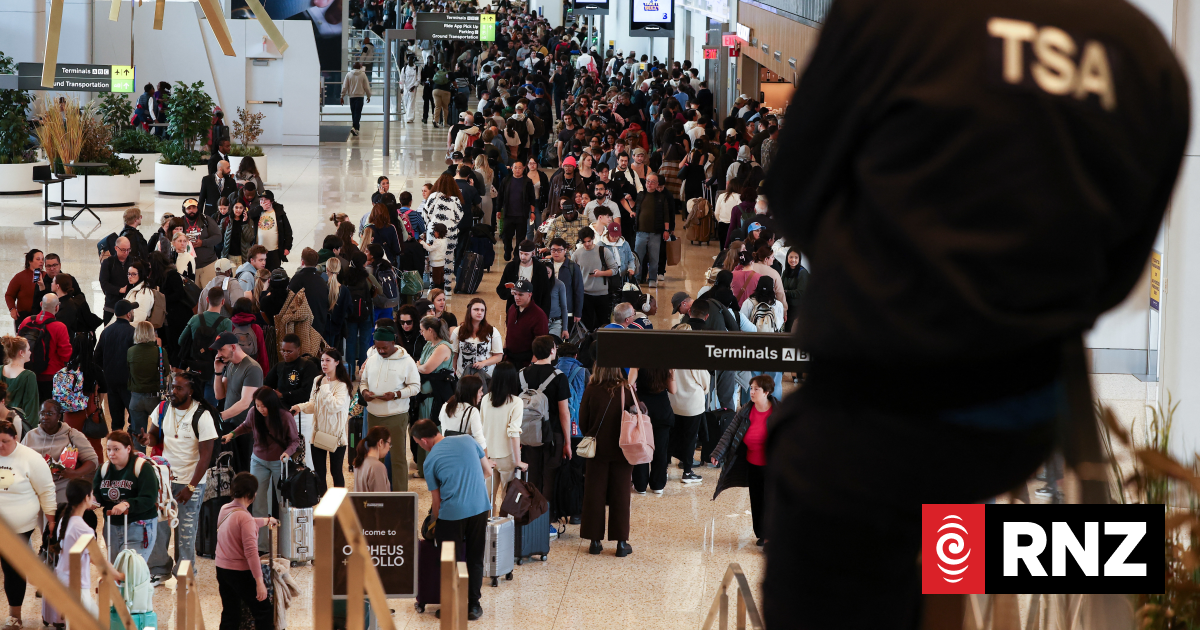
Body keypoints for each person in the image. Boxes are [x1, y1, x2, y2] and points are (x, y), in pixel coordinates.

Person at [138, 372, 219, 586]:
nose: (173, 392)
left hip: (190, 481)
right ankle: (159, 570)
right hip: (164, 479)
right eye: (172, 387)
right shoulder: (163, 408)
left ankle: (184, 572)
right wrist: (148, 438)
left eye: (179, 388)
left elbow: (206, 457)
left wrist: (191, 487)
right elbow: (155, 435)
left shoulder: (202, 416)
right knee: (159, 525)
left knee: (186, 530)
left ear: (190, 391)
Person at [411, 419, 491, 621]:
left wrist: (433, 524)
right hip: (480, 507)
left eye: (419, 444)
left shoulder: (430, 461)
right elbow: (487, 471)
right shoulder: (468, 440)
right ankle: (474, 606)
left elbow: (436, 502)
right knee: (475, 557)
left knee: (450, 561)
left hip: (452, 514)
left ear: (424, 441)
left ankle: (451, 605)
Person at [221, 387, 299, 552]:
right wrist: (232, 435)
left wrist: (287, 453)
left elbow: (294, 441)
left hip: (280, 462)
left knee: (283, 502)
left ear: (272, 404)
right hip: (258, 461)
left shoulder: (285, 417)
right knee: (257, 502)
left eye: (264, 406)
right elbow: (245, 426)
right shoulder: (253, 413)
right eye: (257, 405)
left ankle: (287, 545)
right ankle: (261, 546)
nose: (261, 409)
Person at [0, 416, 55, 628]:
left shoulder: (30, 458)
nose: (1, 445)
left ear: (16, 438)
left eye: (5, 441)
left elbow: (46, 490)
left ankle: (15, 615)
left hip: (18, 527)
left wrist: (50, 519)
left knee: (13, 569)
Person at [710, 375, 776, 547]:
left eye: (756, 389)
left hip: (772, 466)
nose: (751, 392)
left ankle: (770, 537)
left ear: (767, 392)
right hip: (752, 463)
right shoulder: (746, 409)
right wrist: (717, 453)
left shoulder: (777, 411)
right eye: (751, 388)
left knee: (770, 500)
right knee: (757, 499)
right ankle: (762, 533)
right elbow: (730, 433)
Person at [358, 322, 422, 490]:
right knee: (374, 457)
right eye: (377, 347)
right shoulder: (372, 359)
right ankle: (377, 492)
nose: (381, 351)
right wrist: (365, 393)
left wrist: (396, 395)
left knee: (398, 458)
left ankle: (400, 496)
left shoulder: (406, 361)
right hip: (374, 414)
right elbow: (363, 381)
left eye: (384, 347)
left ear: (393, 343)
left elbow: (415, 387)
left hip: (396, 415)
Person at [578, 367, 633, 557]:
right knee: (621, 495)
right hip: (622, 449)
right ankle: (621, 543)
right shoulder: (626, 390)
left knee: (594, 494)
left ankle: (594, 541)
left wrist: (591, 434)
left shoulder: (592, 389)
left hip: (597, 450)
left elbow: (582, 419)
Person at [50, 479, 123, 620]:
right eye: (92, 494)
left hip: (63, 581)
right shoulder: (83, 529)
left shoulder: (65, 521)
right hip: (76, 586)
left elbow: (89, 557)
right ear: (86, 498)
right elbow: (98, 560)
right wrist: (119, 576)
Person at [216, 472, 278, 630]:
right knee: (263, 611)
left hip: (222, 569)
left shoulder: (225, 509)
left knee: (231, 612)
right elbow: (251, 553)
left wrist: (266, 521)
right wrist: (259, 582)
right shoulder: (245, 518)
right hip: (240, 573)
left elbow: (244, 523)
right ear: (252, 494)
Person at [290, 347, 352, 497]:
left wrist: (325, 387)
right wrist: (300, 406)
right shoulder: (317, 380)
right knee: (319, 472)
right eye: (322, 360)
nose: (324, 364)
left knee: (336, 472)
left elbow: (334, 407)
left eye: (328, 360)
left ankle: (339, 503)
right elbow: (313, 405)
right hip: (318, 434)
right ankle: (322, 502)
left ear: (337, 362)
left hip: (336, 437)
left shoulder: (342, 385)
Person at [518, 336, 571, 502]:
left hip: (526, 434)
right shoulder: (559, 377)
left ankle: (530, 517)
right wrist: (567, 442)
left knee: (531, 475)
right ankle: (546, 518)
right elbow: (564, 412)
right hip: (552, 434)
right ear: (552, 351)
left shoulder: (521, 375)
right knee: (549, 477)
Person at [94, 430, 159, 564]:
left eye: (116, 449)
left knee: (132, 569)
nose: (111, 454)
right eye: (109, 449)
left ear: (128, 448)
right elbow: (97, 495)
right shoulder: (104, 469)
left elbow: (149, 498)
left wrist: (127, 504)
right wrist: (91, 502)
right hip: (112, 525)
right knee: (116, 569)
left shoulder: (142, 467)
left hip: (138, 524)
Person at [22, 399, 99, 504]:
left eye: (49, 414)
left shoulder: (72, 435)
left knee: (61, 512)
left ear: (59, 416)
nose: (44, 417)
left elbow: (93, 461)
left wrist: (76, 473)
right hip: (35, 486)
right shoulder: (30, 436)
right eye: (42, 414)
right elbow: (19, 459)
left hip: (62, 484)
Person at [211, 331, 265, 473]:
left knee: (245, 470)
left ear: (233, 347)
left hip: (246, 429)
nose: (219, 353)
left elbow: (245, 403)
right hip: (231, 427)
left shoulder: (252, 368)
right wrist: (217, 372)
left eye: (221, 349)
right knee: (233, 469)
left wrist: (218, 417)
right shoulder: (231, 365)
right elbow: (219, 395)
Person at [479, 361, 524, 510]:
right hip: (506, 456)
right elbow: (514, 432)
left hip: (487, 454)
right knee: (508, 498)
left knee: (487, 497)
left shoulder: (486, 399)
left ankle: (486, 529)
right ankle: (504, 531)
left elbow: (481, 426)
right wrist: (518, 461)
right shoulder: (516, 402)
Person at [19, 294, 73, 403]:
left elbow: (18, 345)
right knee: (49, 411)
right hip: (51, 377)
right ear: (57, 308)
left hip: (28, 374)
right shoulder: (59, 327)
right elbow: (65, 354)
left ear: (40, 304)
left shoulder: (27, 321)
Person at [126, 321, 170, 448]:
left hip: (135, 398)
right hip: (155, 398)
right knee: (160, 433)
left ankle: (140, 464)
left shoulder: (131, 351)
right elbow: (166, 371)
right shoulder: (160, 352)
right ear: (152, 333)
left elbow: (129, 370)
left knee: (139, 436)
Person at [631, 173, 671, 288]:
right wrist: (629, 201)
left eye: (653, 181)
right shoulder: (641, 195)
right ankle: (637, 277)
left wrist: (666, 230)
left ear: (657, 184)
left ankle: (652, 278)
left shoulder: (661, 197)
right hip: (640, 232)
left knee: (654, 258)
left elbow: (666, 215)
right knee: (638, 257)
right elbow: (635, 208)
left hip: (656, 233)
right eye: (648, 181)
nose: (650, 183)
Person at [451, 298, 503, 379]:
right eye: (476, 309)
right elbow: (454, 355)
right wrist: (453, 373)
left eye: (482, 310)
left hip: (486, 377)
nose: (480, 312)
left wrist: (484, 363)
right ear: (469, 311)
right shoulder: (458, 331)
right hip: (463, 377)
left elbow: (499, 356)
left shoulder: (492, 331)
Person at [502, 278, 549, 369]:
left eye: (520, 295)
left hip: (525, 363)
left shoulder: (539, 315)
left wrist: (532, 365)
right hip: (509, 360)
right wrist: (503, 353)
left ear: (529, 295)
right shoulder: (512, 308)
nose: (517, 297)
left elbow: (541, 344)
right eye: (515, 294)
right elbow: (509, 333)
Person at [497, 240, 552, 316]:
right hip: (515, 312)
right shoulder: (511, 267)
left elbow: (546, 295)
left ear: (533, 253)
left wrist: (544, 316)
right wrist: (511, 292)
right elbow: (500, 290)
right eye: (521, 253)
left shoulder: (540, 269)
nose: (522, 257)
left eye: (526, 254)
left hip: (534, 312)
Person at [287, 248, 331, 339]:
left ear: (302, 262)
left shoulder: (297, 279)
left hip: (302, 326)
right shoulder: (322, 281)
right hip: (319, 326)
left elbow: (289, 301)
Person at [497, 160, 536, 260]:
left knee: (520, 237)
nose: (517, 170)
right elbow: (500, 196)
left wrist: (532, 212)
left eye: (519, 168)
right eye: (515, 167)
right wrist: (498, 210)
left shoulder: (527, 182)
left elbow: (532, 198)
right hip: (508, 214)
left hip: (521, 214)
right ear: (512, 168)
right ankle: (507, 249)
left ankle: (516, 254)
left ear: (523, 168)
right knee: (506, 235)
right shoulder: (506, 180)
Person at [439, 375, 486, 450]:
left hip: (446, 451)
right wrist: (487, 460)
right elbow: (480, 441)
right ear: (472, 393)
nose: (482, 394)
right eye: (480, 391)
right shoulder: (472, 411)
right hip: (463, 454)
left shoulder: (445, 406)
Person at [249, 192, 293, 270]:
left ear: (271, 201)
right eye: (261, 200)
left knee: (273, 272)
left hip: (274, 251)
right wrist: (261, 208)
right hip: (259, 250)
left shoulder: (279, 213)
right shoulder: (258, 212)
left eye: (266, 200)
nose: (263, 202)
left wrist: (287, 247)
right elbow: (249, 215)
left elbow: (288, 231)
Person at [1, 336, 38, 420]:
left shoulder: (0, 370)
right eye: (28, 349)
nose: (30, 352)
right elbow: (31, 409)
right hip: (19, 424)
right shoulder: (29, 376)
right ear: (21, 352)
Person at [6, 249, 44, 325]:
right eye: (38, 259)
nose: (41, 262)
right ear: (30, 261)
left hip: (41, 315)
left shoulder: (46, 276)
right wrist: (12, 309)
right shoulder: (20, 276)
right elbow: (9, 295)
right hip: (23, 316)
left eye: (43, 259)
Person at [352, 426, 392, 492]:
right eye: (389, 443)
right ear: (381, 442)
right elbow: (381, 499)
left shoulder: (360, 461)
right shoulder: (378, 467)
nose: (389, 448)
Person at [780, 248, 808, 333]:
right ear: (787, 258)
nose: (793, 260)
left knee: (789, 329)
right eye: (791, 257)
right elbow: (781, 287)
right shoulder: (785, 272)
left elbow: (800, 292)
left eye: (796, 257)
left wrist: (786, 292)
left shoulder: (802, 272)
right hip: (785, 305)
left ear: (799, 259)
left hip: (796, 307)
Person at [341, 62, 372, 136]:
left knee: (354, 113)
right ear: (360, 67)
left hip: (352, 97)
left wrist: (342, 96)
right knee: (358, 113)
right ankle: (355, 128)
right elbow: (366, 87)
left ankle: (355, 128)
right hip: (360, 96)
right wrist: (368, 95)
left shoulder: (348, 74)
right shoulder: (363, 75)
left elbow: (345, 86)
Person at [422, 223, 449, 292]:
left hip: (436, 263)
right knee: (441, 278)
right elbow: (434, 248)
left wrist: (422, 242)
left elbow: (430, 249)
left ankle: (436, 292)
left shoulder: (437, 241)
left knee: (436, 278)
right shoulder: (444, 240)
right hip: (441, 262)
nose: (434, 233)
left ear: (438, 233)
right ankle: (441, 290)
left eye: (435, 232)